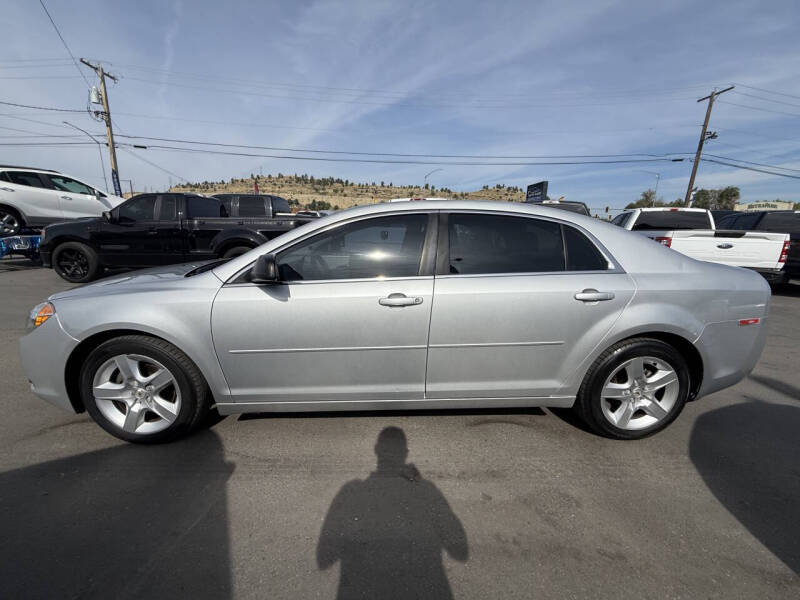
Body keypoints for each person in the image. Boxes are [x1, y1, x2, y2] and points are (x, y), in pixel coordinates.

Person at [317, 426, 468, 599]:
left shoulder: (352, 493)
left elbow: (324, 559)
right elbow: (460, 551)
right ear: (405, 454)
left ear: (376, 450)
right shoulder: (426, 492)